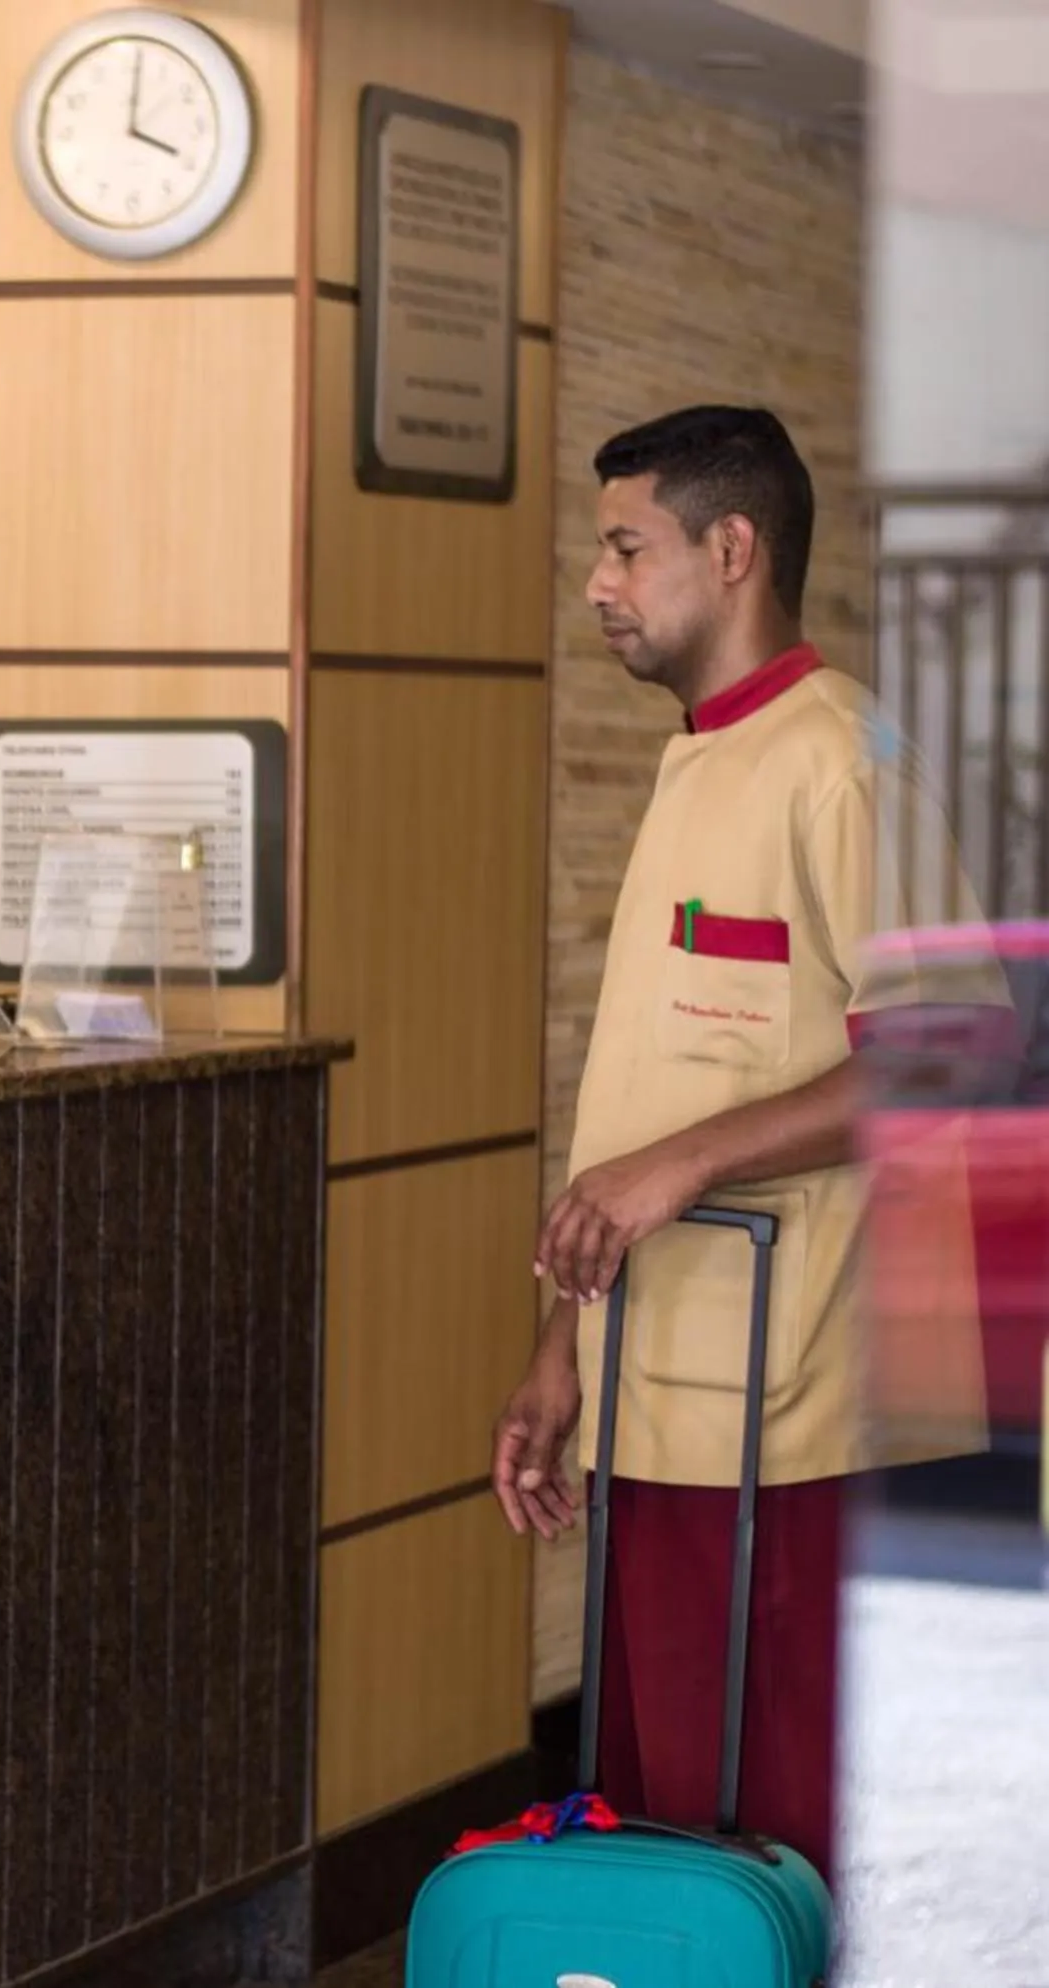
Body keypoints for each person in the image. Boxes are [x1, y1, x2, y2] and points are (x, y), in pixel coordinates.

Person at [491, 406, 995, 1874]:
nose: (600, 583)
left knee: (792, 1847)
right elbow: (647, 1108)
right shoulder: (697, 763)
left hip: (806, 1422)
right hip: (665, 1407)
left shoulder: (848, 760)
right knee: (673, 1850)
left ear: (730, 548)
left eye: (625, 547)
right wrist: (558, 1351)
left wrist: (692, 1163)